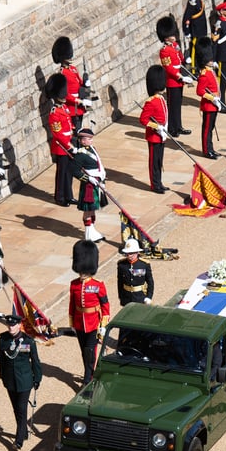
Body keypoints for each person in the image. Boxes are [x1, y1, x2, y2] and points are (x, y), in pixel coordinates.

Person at [0, 314, 42, 451]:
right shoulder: (3, 340)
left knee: (22, 409)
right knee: (16, 409)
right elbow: (2, 361)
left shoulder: (28, 341)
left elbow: (35, 361)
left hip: (24, 381)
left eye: (13, 325)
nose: (11, 327)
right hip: (10, 380)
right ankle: (23, 432)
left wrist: (37, 379)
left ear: (19, 325)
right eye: (9, 325)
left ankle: (18, 442)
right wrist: (2, 376)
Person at [69, 240, 110, 385]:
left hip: (93, 323)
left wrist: (103, 325)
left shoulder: (98, 285)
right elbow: (72, 305)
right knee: (83, 351)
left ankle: (88, 378)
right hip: (80, 323)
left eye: (83, 270)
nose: (82, 273)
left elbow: (105, 305)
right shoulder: (74, 284)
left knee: (89, 351)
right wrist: (72, 322)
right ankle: (89, 372)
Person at [156, 15, 193, 137]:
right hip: (172, 80)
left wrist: (185, 58)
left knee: (178, 104)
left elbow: (179, 58)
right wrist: (180, 77)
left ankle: (178, 126)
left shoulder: (174, 45)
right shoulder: (164, 50)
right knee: (173, 105)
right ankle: (172, 128)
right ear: (166, 37)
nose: (174, 36)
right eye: (172, 34)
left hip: (179, 77)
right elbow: (169, 68)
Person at [45, 73, 77, 207]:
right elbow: (58, 134)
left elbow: (68, 124)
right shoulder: (54, 112)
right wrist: (69, 145)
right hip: (61, 147)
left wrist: (75, 131)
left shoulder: (63, 107)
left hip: (68, 143)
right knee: (62, 172)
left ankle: (69, 195)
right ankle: (60, 196)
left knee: (69, 172)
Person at [71, 128, 107, 243]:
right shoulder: (80, 155)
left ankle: (92, 231)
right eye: (88, 139)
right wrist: (88, 179)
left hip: (97, 182)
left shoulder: (92, 149)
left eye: (91, 139)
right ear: (82, 141)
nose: (91, 141)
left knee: (93, 209)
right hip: (89, 185)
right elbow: (75, 171)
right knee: (87, 210)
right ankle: (88, 233)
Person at [51, 36, 92, 132]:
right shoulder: (62, 73)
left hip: (79, 105)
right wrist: (79, 101)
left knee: (79, 128)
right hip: (72, 107)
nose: (70, 57)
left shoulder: (73, 69)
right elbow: (65, 94)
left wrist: (86, 83)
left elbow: (79, 82)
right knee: (75, 131)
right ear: (62, 58)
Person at [139, 65, 169, 193]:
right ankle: (155, 185)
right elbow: (143, 120)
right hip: (154, 136)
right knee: (154, 163)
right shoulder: (151, 102)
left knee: (159, 161)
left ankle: (159, 182)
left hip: (161, 136)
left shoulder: (161, 98)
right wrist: (157, 127)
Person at [196, 37, 222, 159]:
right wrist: (212, 98)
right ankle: (206, 150)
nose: (211, 60)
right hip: (209, 106)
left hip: (214, 105)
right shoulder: (204, 74)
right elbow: (200, 91)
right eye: (209, 59)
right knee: (207, 129)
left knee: (210, 128)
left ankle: (211, 148)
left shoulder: (210, 71)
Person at [117, 238, 154, 306]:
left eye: (131, 253)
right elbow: (120, 282)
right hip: (127, 297)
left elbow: (150, 282)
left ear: (137, 252)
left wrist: (149, 297)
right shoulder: (121, 265)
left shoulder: (144, 264)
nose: (129, 256)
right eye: (127, 254)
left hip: (140, 297)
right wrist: (121, 297)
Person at [211, 1, 226, 110]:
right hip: (220, 56)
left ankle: (223, 101)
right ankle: (220, 103)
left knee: (224, 81)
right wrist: (214, 59)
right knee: (220, 81)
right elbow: (215, 43)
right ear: (221, 11)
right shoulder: (218, 24)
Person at [182, 0, 208, 75]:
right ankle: (193, 69)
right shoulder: (193, 0)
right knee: (194, 50)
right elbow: (187, 17)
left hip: (201, 29)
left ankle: (199, 66)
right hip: (195, 29)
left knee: (200, 49)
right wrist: (187, 30)